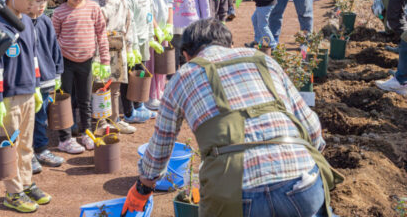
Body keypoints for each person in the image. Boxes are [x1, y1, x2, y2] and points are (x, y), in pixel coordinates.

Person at [121, 19, 342, 217]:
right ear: (231, 44)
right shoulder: (265, 61)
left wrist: (143, 189)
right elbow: (312, 130)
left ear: (186, 55)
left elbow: (160, 149)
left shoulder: (182, 77)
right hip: (302, 185)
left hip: (234, 197)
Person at [0, 0, 52, 213]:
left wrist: (36, 86)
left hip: (27, 93)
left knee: (26, 144)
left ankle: (26, 183)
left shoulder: (26, 21)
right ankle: (12, 193)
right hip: (8, 98)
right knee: (10, 146)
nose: (32, 3)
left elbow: (33, 56)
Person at [52, 0, 110, 152]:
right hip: (65, 62)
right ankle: (65, 138)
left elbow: (102, 34)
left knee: (85, 100)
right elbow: (53, 41)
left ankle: (86, 133)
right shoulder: (59, 13)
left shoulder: (93, 8)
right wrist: (54, 68)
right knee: (65, 100)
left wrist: (105, 61)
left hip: (87, 61)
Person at [92, 0, 137, 134]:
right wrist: (96, 57)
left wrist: (130, 48)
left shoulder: (123, 1)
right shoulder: (95, 5)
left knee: (115, 86)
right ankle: (101, 121)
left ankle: (115, 119)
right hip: (101, 51)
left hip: (119, 47)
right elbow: (94, 32)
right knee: (100, 86)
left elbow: (128, 24)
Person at [122, 0, 164, 122]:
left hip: (144, 42)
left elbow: (148, 16)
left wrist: (152, 35)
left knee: (141, 75)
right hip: (132, 44)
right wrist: (130, 47)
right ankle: (128, 110)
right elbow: (128, 23)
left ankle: (140, 105)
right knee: (130, 77)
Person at [29, 0, 65, 174]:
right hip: (27, 82)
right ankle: (28, 154)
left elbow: (54, 47)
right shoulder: (22, 23)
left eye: (44, 0)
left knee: (41, 116)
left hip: (45, 78)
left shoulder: (45, 21)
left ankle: (41, 149)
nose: (42, 4)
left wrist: (58, 71)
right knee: (27, 119)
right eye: (37, 0)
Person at [143, 0, 174, 111]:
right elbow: (148, 7)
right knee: (151, 63)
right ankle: (149, 95)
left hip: (163, 29)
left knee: (162, 63)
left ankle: (160, 91)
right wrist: (155, 27)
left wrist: (169, 24)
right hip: (151, 30)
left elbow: (170, 2)